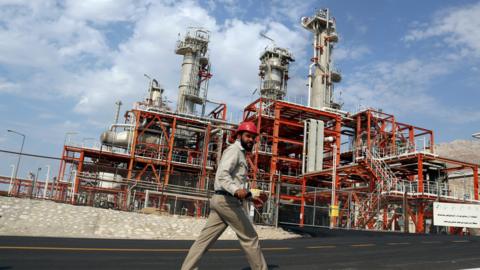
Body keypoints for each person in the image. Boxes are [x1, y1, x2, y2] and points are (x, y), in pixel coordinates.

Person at [181, 121, 268, 270]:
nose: (251, 140)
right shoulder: (234, 151)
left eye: (253, 137)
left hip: (221, 200)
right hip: (228, 202)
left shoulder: (240, 153)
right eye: (248, 136)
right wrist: (236, 191)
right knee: (250, 238)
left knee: (204, 241)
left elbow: (234, 184)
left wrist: (250, 196)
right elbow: (223, 175)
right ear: (239, 136)